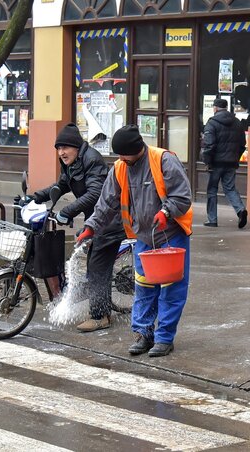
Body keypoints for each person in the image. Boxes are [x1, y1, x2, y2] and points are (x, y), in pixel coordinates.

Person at [79, 125, 193, 358]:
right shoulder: (120, 168)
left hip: (171, 237)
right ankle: (144, 334)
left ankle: (164, 338)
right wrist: (91, 226)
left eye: (125, 154)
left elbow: (183, 196)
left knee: (171, 290)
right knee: (144, 288)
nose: (121, 159)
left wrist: (166, 212)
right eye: (119, 155)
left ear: (138, 148)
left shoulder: (163, 161)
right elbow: (106, 202)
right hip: (143, 238)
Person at [25, 122, 125, 332]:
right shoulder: (72, 162)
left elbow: (95, 193)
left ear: (77, 147)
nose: (61, 152)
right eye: (58, 148)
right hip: (95, 220)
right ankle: (99, 305)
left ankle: (101, 316)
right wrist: (35, 197)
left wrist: (67, 211)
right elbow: (61, 185)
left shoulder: (92, 160)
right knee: (92, 265)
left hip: (110, 221)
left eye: (65, 148)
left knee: (97, 268)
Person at [201, 98, 248, 229]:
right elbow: (242, 145)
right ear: (226, 108)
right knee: (230, 188)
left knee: (212, 190)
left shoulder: (212, 123)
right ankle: (240, 210)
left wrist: (207, 161)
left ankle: (212, 219)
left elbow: (209, 145)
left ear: (215, 108)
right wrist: (235, 158)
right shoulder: (237, 123)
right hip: (231, 162)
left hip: (216, 163)